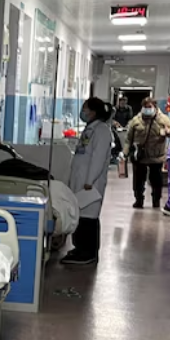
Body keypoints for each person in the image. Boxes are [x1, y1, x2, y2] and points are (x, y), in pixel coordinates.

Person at [61, 97, 115, 266]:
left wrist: (89, 181)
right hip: (81, 181)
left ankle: (88, 253)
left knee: (89, 218)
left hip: (90, 183)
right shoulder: (91, 129)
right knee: (80, 216)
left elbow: (98, 158)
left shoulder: (102, 131)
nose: (82, 112)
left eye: (85, 109)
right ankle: (79, 248)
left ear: (93, 111)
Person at [125, 97, 170, 209]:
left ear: (155, 107)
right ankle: (138, 200)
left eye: (149, 107)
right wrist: (125, 153)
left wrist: (168, 131)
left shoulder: (163, 119)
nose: (147, 109)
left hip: (156, 156)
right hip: (139, 156)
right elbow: (128, 139)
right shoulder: (135, 121)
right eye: (145, 107)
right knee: (138, 180)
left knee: (156, 180)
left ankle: (156, 200)